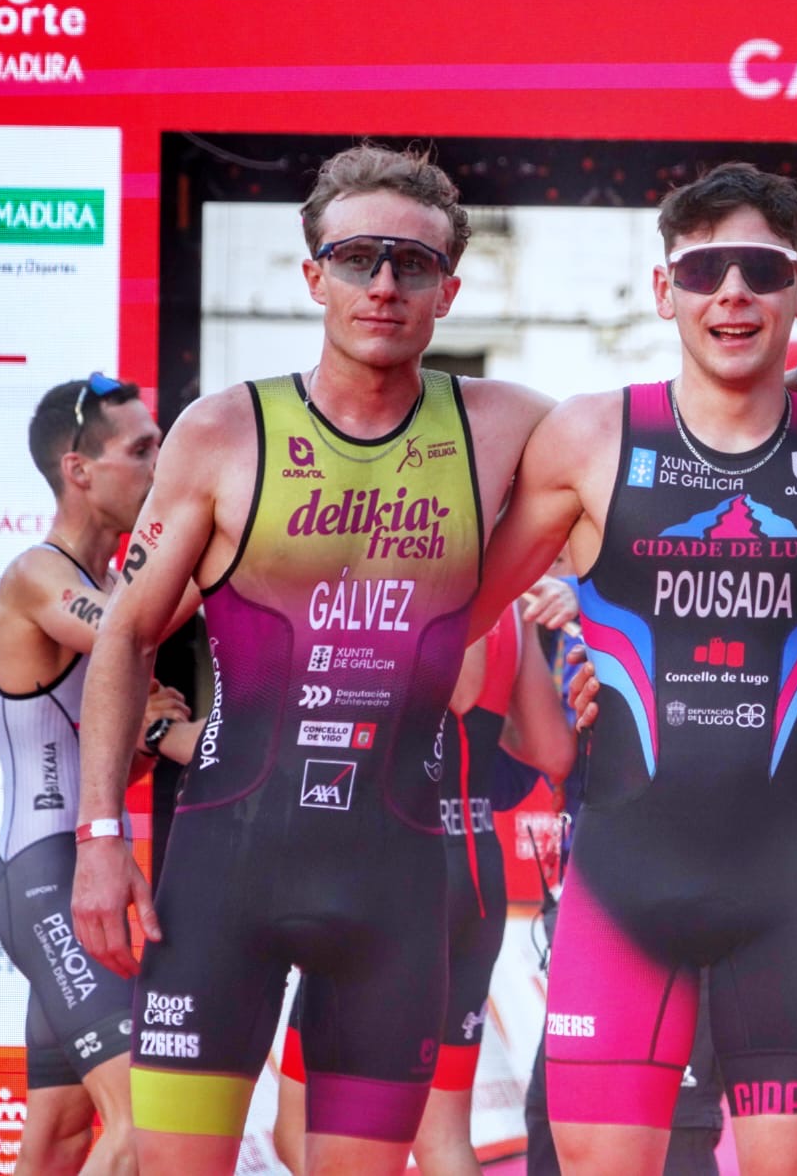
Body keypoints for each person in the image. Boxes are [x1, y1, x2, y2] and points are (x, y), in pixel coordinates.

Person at [68, 143, 568, 1176]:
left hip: (394, 892)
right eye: (355, 258)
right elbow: (124, 632)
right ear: (313, 276)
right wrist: (100, 835)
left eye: (412, 263)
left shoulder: (507, 427)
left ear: (447, 291)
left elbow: (657, 453)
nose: (382, 284)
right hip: (222, 879)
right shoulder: (223, 431)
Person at [465, 162, 797, 1176]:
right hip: (622, 888)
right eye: (701, 269)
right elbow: (458, 607)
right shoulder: (589, 436)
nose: (731, 293)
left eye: (759, 269)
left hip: (788, 893)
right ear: (662, 289)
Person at [270, 599, 576, 1176]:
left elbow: (459, 688)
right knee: (441, 1138)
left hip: (391, 873)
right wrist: (486, 732)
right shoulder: (511, 605)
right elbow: (554, 751)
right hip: (473, 877)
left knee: (305, 1133)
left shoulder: (428, 577)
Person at [0, 375, 201, 1176]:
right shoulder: (37, 576)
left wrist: (149, 736)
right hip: (43, 878)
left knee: (61, 1142)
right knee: (144, 1125)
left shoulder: (113, 588)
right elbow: (125, 629)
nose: (160, 464)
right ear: (78, 470)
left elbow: (110, 766)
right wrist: (217, 545)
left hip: (77, 873)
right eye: (142, 449)